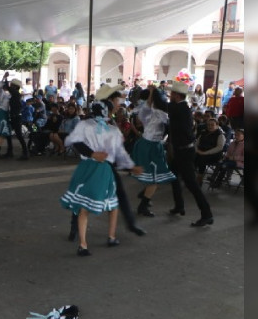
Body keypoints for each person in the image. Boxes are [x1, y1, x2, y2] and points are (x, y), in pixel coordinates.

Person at [61, 101, 143, 256]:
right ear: (109, 112)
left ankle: (83, 245)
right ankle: (111, 237)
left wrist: (90, 153)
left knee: (83, 205)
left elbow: (71, 141)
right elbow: (120, 154)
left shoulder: (84, 125)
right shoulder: (112, 130)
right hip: (104, 169)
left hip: (86, 168)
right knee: (112, 204)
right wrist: (131, 166)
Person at [167, 81, 214, 226]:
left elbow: (166, 107)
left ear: (176, 95)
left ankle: (207, 214)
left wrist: (153, 93)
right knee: (174, 177)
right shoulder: (180, 107)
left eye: (171, 93)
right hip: (181, 149)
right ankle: (179, 205)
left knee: (191, 183)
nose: (169, 95)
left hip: (185, 151)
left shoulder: (181, 108)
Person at [130, 87, 176, 217]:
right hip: (150, 145)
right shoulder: (152, 111)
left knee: (154, 175)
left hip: (149, 144)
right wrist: (152, 92)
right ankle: (143, 205)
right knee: (155, 178)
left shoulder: (146, 110)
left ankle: (145, 194)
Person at [194, 118, 226, 185]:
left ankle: (199, 178)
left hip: (214, 154)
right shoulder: (203, 132)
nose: (210, 126)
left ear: (217, 125)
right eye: (208, 125)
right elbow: (196, 143)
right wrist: (197, 150)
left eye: (212, 125)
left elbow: (219, 148)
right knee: (192, 156)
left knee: (201, 158)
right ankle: (192, 175)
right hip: (201, 152)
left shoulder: (220, 135)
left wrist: (205, 153)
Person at [6, 78, 29, 160]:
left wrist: (5, 78)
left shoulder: (16, 94)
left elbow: (7, 87)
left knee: (19, 135)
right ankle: (10, 151)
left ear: (15, 87)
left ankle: (25, 153)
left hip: (16, 117)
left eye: (12, 85)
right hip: (14, 116)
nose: (11, 86)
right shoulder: (15, 94)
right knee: (8, 133)